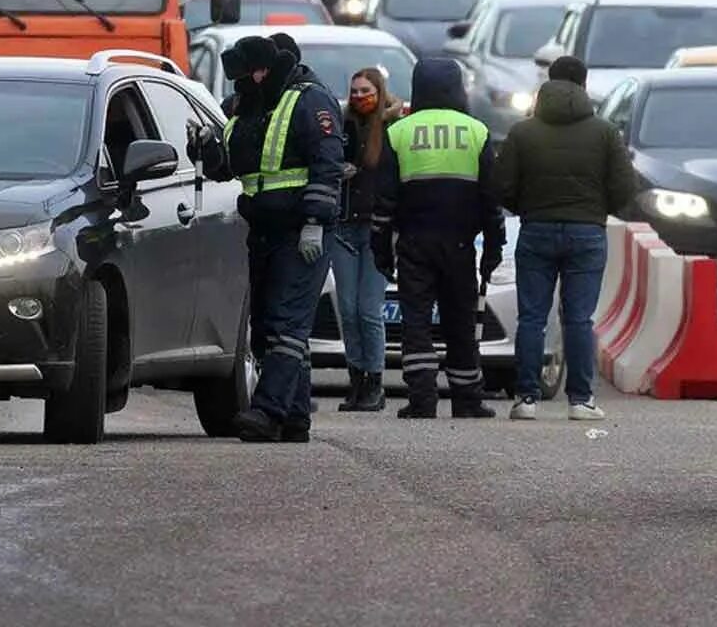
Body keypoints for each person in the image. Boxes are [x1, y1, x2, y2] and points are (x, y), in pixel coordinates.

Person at [196, 35, 345, 442]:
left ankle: (267, 410)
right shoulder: (250, 106)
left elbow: (327, 163)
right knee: (266, 327)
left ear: (263, 70)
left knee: (286, 322)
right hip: (263, 230)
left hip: (302, 231)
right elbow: (228, 167)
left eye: (245, 77)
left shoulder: (309, 100)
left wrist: (315, 220)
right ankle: (294, 419)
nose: (238, 86)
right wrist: (209, 147)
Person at [493, 55, 635, 422]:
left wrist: (528, 206)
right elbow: (624, 187)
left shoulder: (524, 132)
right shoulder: (604, 132)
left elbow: (502, 185)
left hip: (536, 229)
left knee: (532, 318)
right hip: (587, 232)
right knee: (579, 318)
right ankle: (580, 400)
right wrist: (598, 208)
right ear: (584, 86)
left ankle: (526, 398)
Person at [372, 57, 504, 419]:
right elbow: (491, 201)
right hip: (461, 244)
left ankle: (422, 399)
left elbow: (383, 202)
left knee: (416, 322)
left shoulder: (399, 131)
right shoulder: (475, 131)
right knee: (460, 320)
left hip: (414, 242)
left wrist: (381, 250)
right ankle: (467, 401)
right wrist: (492, 250)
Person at [330, 67, 399, 412]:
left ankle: (374, 381)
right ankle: (355, 379)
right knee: (348, 309)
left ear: (380, 91)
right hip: (343, 225)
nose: (359, 97)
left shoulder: (392, 127)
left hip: (375, 229)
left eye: (366, 91)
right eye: (354, 91)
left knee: (369, 310)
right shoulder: (341, 124)